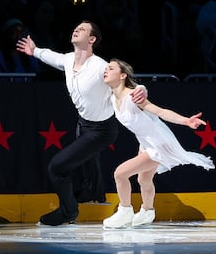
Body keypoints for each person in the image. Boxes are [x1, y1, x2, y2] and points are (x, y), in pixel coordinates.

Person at [16, 20, 147, 226]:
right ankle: (90, 192)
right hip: (83, 125)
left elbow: (123, 83)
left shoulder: (100, 67)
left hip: (101, 131)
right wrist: (35, 51)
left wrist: (140, 91)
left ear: (92, 39)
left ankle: (68, 212)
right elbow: (55, 58)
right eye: (76, 27)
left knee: (57, 168)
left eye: (83, 29)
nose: (76, 29)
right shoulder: (69, 60)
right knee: (83, 175)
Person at [102, 58, 215, 229]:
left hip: (159, 144)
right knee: (144, 179)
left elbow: (160, 111)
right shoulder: (112, 98)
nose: (106, 71)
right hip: (145, 143)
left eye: (110, 68)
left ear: (123, 75)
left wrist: (186, 121)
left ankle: (125, 211)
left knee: (120, 174)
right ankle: (148, 211)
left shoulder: (134, 95)